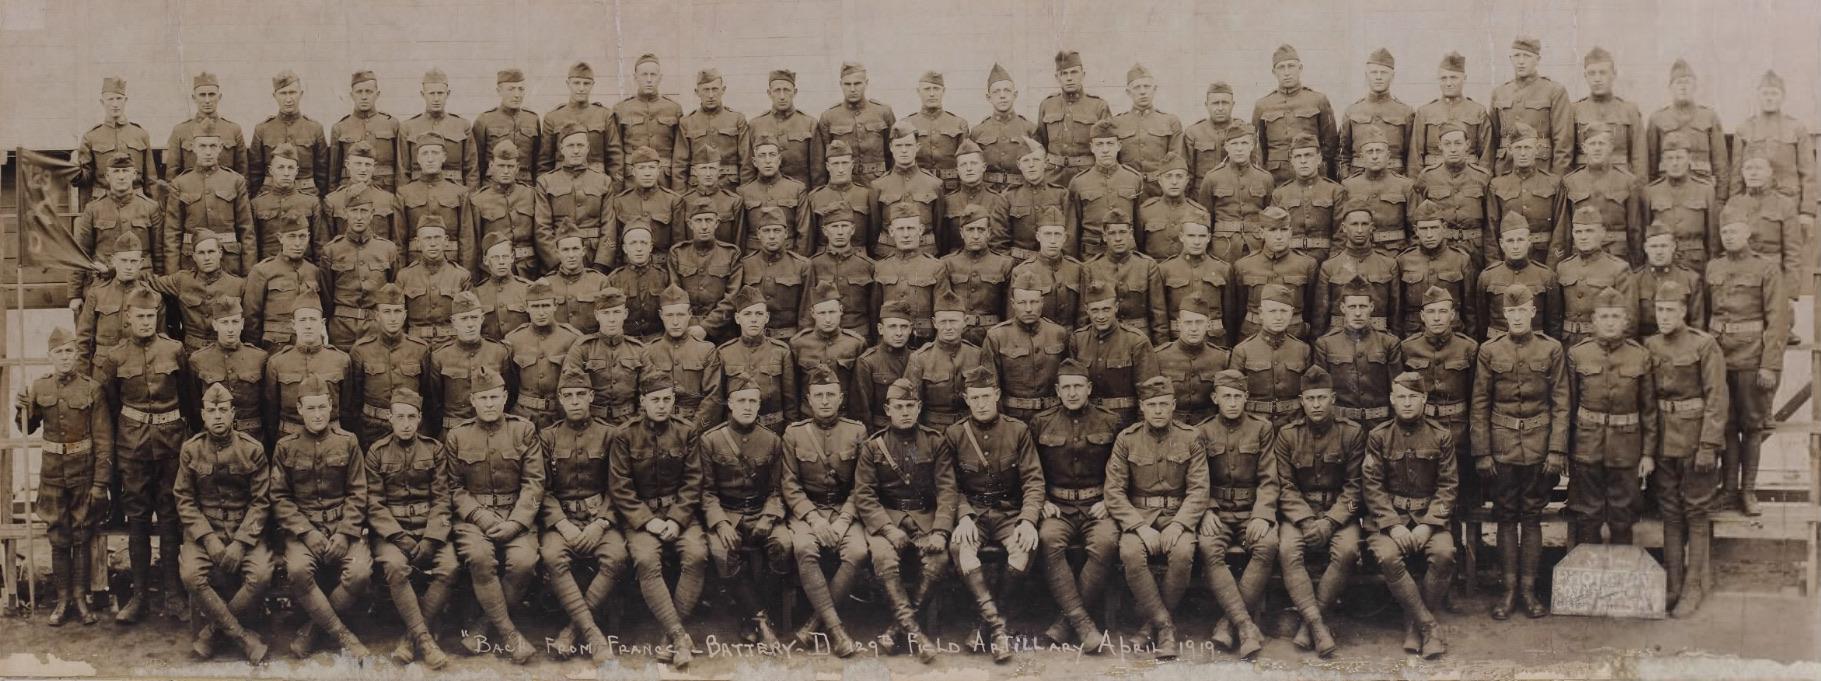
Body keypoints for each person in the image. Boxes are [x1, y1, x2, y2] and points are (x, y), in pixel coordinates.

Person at [1471, 283, 1569, 619]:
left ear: (1532, 311)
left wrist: (1557, 449)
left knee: (1532, 516)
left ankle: (1528, 590)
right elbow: (1480, 403)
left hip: (1540, 446)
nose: (1515, 317)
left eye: (1521, 310)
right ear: (1503, 314)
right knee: (1504, 515)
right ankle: (1508, 590)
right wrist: (1482, 452)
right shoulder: (1489, 350)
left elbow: (1561, 402)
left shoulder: (1552, 349)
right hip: (1501, 447)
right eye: (1509, 312)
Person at [96, 287, 188, 624]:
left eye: (151, 316)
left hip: (171, 443)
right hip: (132, 445)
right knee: (136, 516)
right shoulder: (116, 357)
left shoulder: (175, 351)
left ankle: (174, 593)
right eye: (140, 317)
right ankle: (138, 596)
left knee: (169, 514)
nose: (146, 322)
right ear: (129, 318)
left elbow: (188, 401)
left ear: (157, 317)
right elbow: (109, 404)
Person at [943, 366, 1043, 664]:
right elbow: (949, 485)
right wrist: (961, 516)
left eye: (987, 396)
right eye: (975, 398)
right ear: (966, 399)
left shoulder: (1017, 430)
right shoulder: (955, 434)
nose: (982, 403)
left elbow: (1033, 481)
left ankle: (984, 621)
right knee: (961, 548)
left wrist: (1027, 520)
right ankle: (999, 629)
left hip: (1008, 512)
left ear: (997, 395)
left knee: (1024, 548)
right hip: (972, 512)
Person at [1104, 375, 1208, 660]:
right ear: (1142, 407)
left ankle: (1150, 627)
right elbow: (1113, 491)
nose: (1159, 410)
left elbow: (1199, 489)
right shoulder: (1127, 439)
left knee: (1184, 552)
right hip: (1140, 516)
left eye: (1164, 404)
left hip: (1177, 514)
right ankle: (1165, 628)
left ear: (1173, 405)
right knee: (1130, 553)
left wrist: (1179, 523)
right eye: (1152, 405)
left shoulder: (1191, 437)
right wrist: (1138, 526)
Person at [15, 328, 112, 628]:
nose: (65, 357)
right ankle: (62, 599)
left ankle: (81, 598)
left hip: (82, 472)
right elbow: (27, 428)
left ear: (76, 354)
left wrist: (99, 483)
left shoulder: (91, 389)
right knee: (58, 537)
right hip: (53, 474)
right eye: (59, 352)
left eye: (70, 351)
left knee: (82, 535)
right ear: (50, 356)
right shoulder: (38, 387)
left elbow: (104, 439)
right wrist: (20, 409)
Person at [445, 366, 542, 664]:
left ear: (505, 397)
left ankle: (483, 626)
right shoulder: (457, 436)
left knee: (524, 562)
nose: (489, 404)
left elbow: (534, 482)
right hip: (474, 519)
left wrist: (516, 522)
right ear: (472, 401)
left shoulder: (523, 429)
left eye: (494, 397)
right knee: (480, 557)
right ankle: (511, 635)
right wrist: (482, 517)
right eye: (482, 398)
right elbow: (454, 488)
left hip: (516, 514)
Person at [1642, 280, 1728, 617]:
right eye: (1659, 310)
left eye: (1670, 310)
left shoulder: (1704, 345)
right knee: (1670, 513)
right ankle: (1673, 584)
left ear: (1683, 312)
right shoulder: (1650, 345)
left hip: (1695, 442)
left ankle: (1693, 586)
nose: (1663, 316)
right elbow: (1647, 402)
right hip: (1663, 441)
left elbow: (1717, 399)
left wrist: (1708, 444)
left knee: (1696, 512)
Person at [271, 375, 371, 659]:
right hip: (304, 531)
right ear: (299, 409)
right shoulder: (285, 447)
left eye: (322, 407)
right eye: (310, 408)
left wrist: (344, 532)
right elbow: (279, 497)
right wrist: (306, 532)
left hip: (342, 527)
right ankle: (343, 636)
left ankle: (314, 629)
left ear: (331, 407)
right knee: (299, 571)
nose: (317, 415)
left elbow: (358, 492)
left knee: (361, 573)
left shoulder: (348, 442)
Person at [608, 373, 704, 668]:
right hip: (642, 519)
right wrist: (648, 521)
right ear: (642, 402)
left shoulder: (686, 431)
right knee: (647, 559)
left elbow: (693, 481)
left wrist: (676, 519)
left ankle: (668, 638)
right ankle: (678, 636)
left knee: (697, 555)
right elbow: (620, 487)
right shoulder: (625, 435)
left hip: (680, 515)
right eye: (655, 400)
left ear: (673, 401)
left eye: (667, 399)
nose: (661, 406)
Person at [852, 378, 951, 664]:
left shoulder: (935, 442)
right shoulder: (874, 446)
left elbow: (947, 489)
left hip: (925, 517)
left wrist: (941, 531)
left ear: (919, 408)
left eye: (910, 406)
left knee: (938, 559)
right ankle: (918, 636)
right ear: (888, 409)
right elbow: (865, 495)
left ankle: (897, 630)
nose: (905, 412)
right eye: (899, 406)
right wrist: (886, 529)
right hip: (888, 517)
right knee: (883, 556)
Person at [363, 388, 460, 668]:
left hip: (429, 529)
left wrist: (431, 539)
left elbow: (442, 499)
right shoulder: (376, 453)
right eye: (400, 417)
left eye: (411, 417)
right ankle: (426, 641)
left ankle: (410, 638)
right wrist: (399, 537)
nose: (405, 423)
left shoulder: (434, 449)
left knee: (450, 566)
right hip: (393, 534)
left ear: (419, 419)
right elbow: (375, 504)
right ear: (389, 418)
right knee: (395, 567)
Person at [172, 383, 269, 662]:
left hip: (245, 533)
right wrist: (208, 539)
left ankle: (212, 632)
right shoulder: (191, 450)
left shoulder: (252, 450)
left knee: (261, 573)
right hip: (205, 533)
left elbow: (262, 502)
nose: (217, 416)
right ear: (203, 415)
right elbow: (184, 500)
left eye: (223, 410)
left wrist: (240, 543)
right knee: (190, 574)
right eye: (212, 411)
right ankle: (242, 637)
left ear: (232, 414)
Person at [1361, 372, 1455, 659]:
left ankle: (1414, 626)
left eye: (1413, 396)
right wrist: (1392, 525)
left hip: (1430, 520)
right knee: (1389, 557)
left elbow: (1449, 486)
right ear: (1391, 400)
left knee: (1444, 553)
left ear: (1424, 399)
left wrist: (1428, 525)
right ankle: (1428, 625)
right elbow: (1372, 486)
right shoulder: (1378, 436)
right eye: (1401, 396)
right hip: (1388, 521)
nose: (1407, 402)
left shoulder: (1441, 435)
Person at [778, 363, 869, 656]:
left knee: (857, 552)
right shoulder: (794, 434)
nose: (826, 401)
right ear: (808, 399)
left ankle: (815, 623)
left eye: (831, 394)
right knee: (804, 548)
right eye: (819, 395)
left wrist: (844, 519)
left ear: (841, 397)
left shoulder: (856, 431)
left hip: (845, 511)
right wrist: (814, 519)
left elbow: (863, 484)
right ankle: (836, 630)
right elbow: (790, 486)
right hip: (809, 513)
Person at [1274, 365, 1364, 658]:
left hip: (1339, 512)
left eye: (1321, 398)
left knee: (1348, 549)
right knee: (1288, 549)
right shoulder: (1288, 435)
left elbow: (1355, 489)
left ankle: (1308, 623)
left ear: (1332, 398)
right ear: (1301, 400)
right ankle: (1317, 625)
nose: (1315, 405)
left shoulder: (1351, 433)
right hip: (1299, 514)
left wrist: (1330, 521)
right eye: (1310, 398)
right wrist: (1307, 520)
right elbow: (1285, 487)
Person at [1027, 359, 1117, 650]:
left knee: (1105, 542)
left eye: (1078, 386)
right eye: (1066, 387)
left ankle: (1065, 623)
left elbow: (1120, 472)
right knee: (1048, 539)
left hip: (1097, 506)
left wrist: (1108, 500)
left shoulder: (1110, 422)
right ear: (1057, 390)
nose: (1073, 393)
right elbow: (1031, 470)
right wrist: (1041, 502)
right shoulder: (1041, 422)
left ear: (1089, 388)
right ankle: (1081, 623)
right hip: (1058, 507)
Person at [699, 373, 792, 647]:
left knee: (784, 545)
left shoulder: (773, 440)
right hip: (727, 513)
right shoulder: (711, 440)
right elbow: (707, 492)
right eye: (741, 401)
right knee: (721, 550)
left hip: (761, 511)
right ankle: (762, 620)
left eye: (753, 401)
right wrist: (720, 523)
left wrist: (768, 516)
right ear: (730, 403)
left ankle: (750, 616)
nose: (748, 406)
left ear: (760, 404)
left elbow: (777, 489)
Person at [536, 369, 621, 663]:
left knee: (617, 556)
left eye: (580, 395)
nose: (574, 401)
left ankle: (573, 630)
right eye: (568, 396)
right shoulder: (547, 437)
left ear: (591, 397)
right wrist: (561, 524)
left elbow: (618, 487)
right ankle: (594, 635)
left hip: (599, 520)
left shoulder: (610, 434)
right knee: (552, 556)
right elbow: (542, 489)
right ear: (560, 399)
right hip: (562, 523)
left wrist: (601, 523)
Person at [1705, 219, 1788, 515]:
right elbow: (1704, 316)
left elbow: (1778, 320)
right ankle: (1728, 491)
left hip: (1752, 357)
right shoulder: (1713, 267)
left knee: (1752, 425)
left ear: (1748, 233)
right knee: (1725, 424)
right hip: (1718, 357)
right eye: (1724, 231)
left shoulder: (1765, 268)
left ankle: (1748, 491)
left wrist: (1769, 365)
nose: (1729, 236)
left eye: (1735, 230)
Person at [1193, 369, 1275, 659]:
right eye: (1226, 396)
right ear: (1215, 398)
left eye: (1237, 396)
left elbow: (1269, 478)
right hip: (1217, 511)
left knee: (1267, 545)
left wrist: (1262, 515)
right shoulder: (1201, 432)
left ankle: (1228, 624)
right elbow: (1197, 479)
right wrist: (1206, 510)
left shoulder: (1262, 428)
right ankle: (1245, 626)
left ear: (1246, 398)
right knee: (1207, 547)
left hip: (1250, 511)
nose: (1231, 402)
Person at [71, 152, 165, 310]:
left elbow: (159, 253)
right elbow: (80, 252)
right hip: (104, 282)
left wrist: (160, 285)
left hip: (142, 281)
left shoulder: (150, 208)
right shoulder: (94, 209)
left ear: (134, 174)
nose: (121, 177)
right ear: (107, 175)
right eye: (116, 171)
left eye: (125, 171)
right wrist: (74, 294)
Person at [347, 284, 432, 447]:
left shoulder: (420, 349)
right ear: (377, 316)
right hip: (371, 429)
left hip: (411, 428)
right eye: (387, 312)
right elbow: (354, 399)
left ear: (405, 315)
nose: (393, 318)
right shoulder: (361, 350)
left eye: (397, 311)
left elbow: (428, 395)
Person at [187, 296, 269, 445]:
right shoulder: (198, 360)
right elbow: (194, 407)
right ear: (215, 325)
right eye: (225, 322)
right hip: (214, 440)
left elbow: (268, 406)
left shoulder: (259, 358)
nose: (230, 329)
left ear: (242, 324)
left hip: (252, 438)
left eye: (235, 322)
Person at [1255, 44, 1339, 183]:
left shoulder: (1318, 100)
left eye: (1291, 66)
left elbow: (1330, 143)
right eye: (1281, 67)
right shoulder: (1262, 106)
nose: (1287, 72)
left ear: (1300, 68)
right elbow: (1259, 147)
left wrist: (1318, 168)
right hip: (1275, 178)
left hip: (1312, 176)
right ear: (1273, 72)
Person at [1490, 36, 1572, 174]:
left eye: (1527, 56)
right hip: (1505, 170)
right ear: (1511, 59)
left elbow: (1563, 141)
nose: (1521, 61)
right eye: (1516, 56)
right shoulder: (1499, 92)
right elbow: (1491, 140)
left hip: (1541, 169)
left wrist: (1558, 177)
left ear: (1537, 60)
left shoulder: (1554, 91)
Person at [1037, 50, 1112, 187]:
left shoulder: (1098, 106)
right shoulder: (1047, 105)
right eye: (1064, 73)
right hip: (1053, 177)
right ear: (1057, 77)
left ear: (1083, 74)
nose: (1069, 78)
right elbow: (1041, 143)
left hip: (1087, 176)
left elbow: (1107, 146)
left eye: (1074, 72)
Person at [250, 70, 330, 196]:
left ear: (301, 94)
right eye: (283, 93)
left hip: (306, 196)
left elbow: (322, 173)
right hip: (270, 196)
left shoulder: (315, 129)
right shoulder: (262, 129)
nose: (288, 99)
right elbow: (255, 173)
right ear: (274, 95)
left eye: (292, 92)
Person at [1410, 52, 1493, 171]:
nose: (1448, 83)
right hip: (1434, 177)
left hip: (1468, 177)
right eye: (1444, 78)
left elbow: (1486, 155)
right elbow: (1415, 155)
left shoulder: (1478, 111)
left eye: (1454, 77)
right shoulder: (1425, 112)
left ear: (1464, 78)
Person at [1338, 48, 1414, 177]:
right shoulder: (1352, 111)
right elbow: (1342, 154)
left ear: (1392, 76)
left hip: (1394, 179)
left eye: (1383, 72)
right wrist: (1346, 179)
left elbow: (1411, 155)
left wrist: (1406, 183)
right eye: (1374, 72)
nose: (1378, 77)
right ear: (1366, 75)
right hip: (1358, 178)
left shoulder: (1405, 112)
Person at [614, 54, 684, 188]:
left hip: (664, 180)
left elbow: (679, 154)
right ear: (635, 77)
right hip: (632, 181)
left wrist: (678, 188)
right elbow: (616, 154)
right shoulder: (622, 109)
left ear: (660, 77)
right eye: (644, 75)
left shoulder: (673, 109)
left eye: (653, 75)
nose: (649, 79)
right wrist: (618, 187)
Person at [330, 70, 406, 192]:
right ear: (352, 95)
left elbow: (400, 167)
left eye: (369, 92)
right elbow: (333, 173)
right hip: (350, 192)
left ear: (377, 94)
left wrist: (400, 196)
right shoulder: (340, 127)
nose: (364, 97)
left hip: (385, 189)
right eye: (359, 92)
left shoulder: (392, 124)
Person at [540, 62, 618, 177]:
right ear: (568, 84)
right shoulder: (553, 118)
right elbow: (544, 161)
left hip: (596, 183)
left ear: (592, 85)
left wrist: (614, 189)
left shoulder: (604, 115)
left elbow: (615, 156)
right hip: (561, 183)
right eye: (576, 83)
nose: (581, 88)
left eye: (586, 84)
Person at [677, 69, 749, 190]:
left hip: (730, 188)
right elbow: (679, 164)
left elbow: (746, 161)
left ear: (723, 90)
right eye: (706, 90)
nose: (711, 95)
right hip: (696, 189)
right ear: (697, 92)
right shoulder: (687, 122)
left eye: (715, 89)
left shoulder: (737, 119)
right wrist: (680, 196)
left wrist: (746, 192)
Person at [472, 68, 541, 187]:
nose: (517, 95)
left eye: (521, 89)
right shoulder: (484, 120)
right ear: (499, 91)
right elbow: (476, 163)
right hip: (493, 186)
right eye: (511, 89)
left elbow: (537, 161)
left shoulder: (532, 119)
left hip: (525, 186)